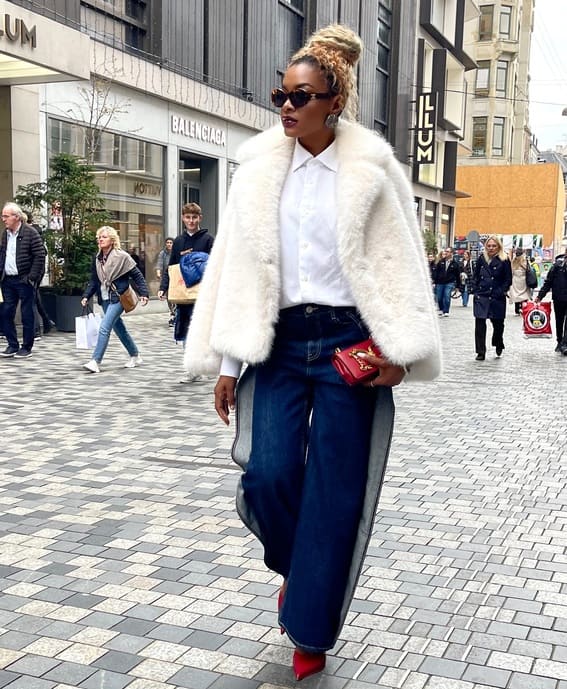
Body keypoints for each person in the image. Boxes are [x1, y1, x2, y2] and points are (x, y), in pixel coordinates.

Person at [183, 24, 441, 681]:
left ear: (335, 100)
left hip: (348, 344)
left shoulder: (372, 170)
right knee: (266, 474)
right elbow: (237, 268)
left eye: (302, 95)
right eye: (281, 95)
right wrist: (228, 362)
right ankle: (298, 571)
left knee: (334, 493)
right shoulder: (259, 170)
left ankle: (308, 628)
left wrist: (402, 355)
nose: (288, 107)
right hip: (276, 341)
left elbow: (401, 266)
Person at [81, 226, 149, 373]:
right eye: (99, 237)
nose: (100, 239)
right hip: (104, 297)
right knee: (119, 329)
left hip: (119, 297)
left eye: (104, 237)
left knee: (104, 327)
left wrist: (144, 293)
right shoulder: (97, 258)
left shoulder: (122, 256)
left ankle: (95, 361)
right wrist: (86, 296)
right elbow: (94, 280)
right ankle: (135, 355)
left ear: (112, 240)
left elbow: (137, 275)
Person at [158, 202, 214, 347]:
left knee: (202, 332)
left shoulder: (208, 240)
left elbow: (215, 267)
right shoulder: (178, 241)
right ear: (183, 218)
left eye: (194, 217)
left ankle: (201, 364)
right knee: (186, 331)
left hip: (203, 294)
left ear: (200, 218)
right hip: (183, 295)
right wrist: (163, 287)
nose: (191, 221)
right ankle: (191, 365)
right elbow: (172, 267)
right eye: (188, 217)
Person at [0, 202, 46, 358]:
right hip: (8, 279)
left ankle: (26, 347)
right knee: (6, 312)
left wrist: (31, 278)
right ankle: (12, 345)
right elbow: (3, 254)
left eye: (6, 216)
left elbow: (40, 256)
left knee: (27, 313)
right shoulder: (5, 234)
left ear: (16, 217)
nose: (3, 219)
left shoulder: (30, 233)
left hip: (24, 279)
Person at [470, 235, 512, 361]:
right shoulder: (482, 259)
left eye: (494, 246)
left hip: (496, 296)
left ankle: (498, 342)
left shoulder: (504, 260)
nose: (491, 248)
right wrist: (475, 289)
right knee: (480, 324)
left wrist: (501, 291)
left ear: (498, 246)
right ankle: (480, 351)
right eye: (489, 246)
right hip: (482, 295)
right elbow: (476, 275)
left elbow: (508, 279)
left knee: (498, 325)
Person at [535, 250, 567, 353]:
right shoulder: (557, 266)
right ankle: (559, 341)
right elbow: (548, 282)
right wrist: (540, 296)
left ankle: (565, 343)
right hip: (559, 298)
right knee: (559, 320)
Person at [433, 247, 460, 316]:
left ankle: (446, 311)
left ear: (451, 253)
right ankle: (441, 309)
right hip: (440, 282)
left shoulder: (455, 264)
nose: (446, 253)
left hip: (449, 282)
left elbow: (457, 275)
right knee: (439, 297)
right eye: (446, 251)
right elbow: (436, 272)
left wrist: (457, 286)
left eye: (448, 251)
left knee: (447, 296)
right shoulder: (441, 262)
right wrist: (434, 281)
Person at [155, 237, 176, 326]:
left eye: (171, 242)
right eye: (167, 242)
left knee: (175, 296)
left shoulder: (176, 253)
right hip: (166, 278)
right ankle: (172, 313)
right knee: (169, 297)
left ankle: (174, 315)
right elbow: (159, 264)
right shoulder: (162, 253)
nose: (169, 244)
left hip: (175, 277)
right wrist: (158, 272)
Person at [508, 248, 532, 315]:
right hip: (523, 279)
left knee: (516, 295)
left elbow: (511, 271)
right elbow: (528, 269)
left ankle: (517, 309)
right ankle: (524, 308)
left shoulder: (514, 261)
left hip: (515, 279)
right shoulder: (525, 260)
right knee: (524, 294)